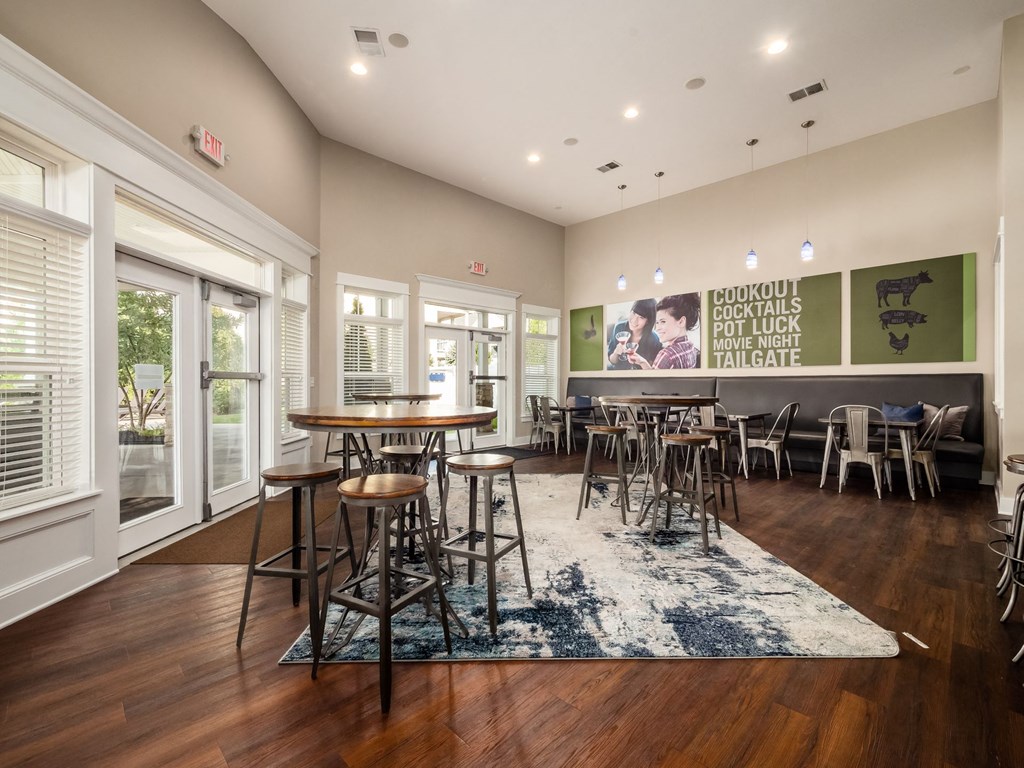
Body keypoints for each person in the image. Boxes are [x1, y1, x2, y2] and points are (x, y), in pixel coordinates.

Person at [627, 293, 700, 369]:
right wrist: (642, 362)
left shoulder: (667, 355)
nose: (657, 328)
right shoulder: (690, 346)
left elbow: (651, 381)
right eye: (657, 323)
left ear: (681, 322)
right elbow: (655, 379)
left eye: (663, 321)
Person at [606, 299, 661, 370]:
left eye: (641, 317)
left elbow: (650, 371)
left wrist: (642, 362)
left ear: (648, 321)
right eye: (634, 313)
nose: (634, 320)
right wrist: (616, 353)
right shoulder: (619, 328)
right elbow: (613, 361)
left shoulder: (654, 339)